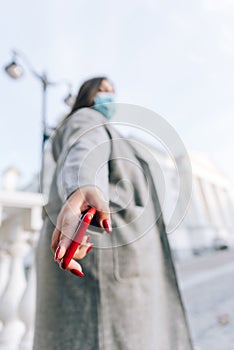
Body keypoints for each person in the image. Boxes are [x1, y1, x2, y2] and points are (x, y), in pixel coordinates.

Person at [33, 77, 193, 350]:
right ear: (88, 94)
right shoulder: (86, 118)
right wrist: (83, 186)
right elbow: (85, 148)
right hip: (104, 264)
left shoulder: (111, 131)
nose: (109, 95)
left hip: (111, 260)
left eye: (112, 91)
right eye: (103, 89)